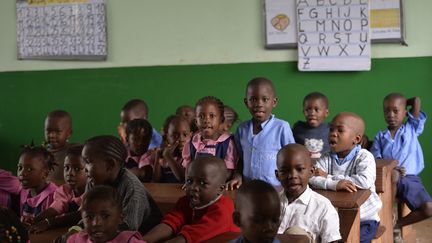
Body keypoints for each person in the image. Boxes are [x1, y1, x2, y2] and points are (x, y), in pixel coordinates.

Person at [309, 112, 382, 243]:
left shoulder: (364, 157)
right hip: (333, 218)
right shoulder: (326, 157)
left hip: (364, 219)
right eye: (331, 129)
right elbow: (311, 178)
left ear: (356, 139)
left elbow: (363, 181)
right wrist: (335, 184)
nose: (333, 133)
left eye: (340, 130)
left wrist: (328, 177)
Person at [370, 94, 432, 230]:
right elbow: (376, 159)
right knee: (394, 175)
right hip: (388, 180)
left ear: (405, 112)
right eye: (386, 111)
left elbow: (416, 100)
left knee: (428, 208)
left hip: (410, 179)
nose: (391, 114)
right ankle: (387, 216)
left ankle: (396, 225)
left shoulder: (411, 128)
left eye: (396, 111)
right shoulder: (380, 136)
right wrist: (393, 169)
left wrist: (405, 102)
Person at [143, 157, 240, 243]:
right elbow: (171, 222)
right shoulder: (186, 201)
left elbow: (190, 236)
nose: (193, 187)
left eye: (202, 183)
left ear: (220, 189)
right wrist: (142, 240)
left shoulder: (223, 210)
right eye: (189, 181)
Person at [82, 135, 162, 233]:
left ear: (109, 165)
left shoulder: (131, 186)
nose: (84, 168)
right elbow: (87, 215)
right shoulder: (92, 183)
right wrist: (75, 230)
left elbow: (128, 227)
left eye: (88, 162)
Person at [229, 77, 295, 188]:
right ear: (246, 102)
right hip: (248, 188)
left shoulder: (282, 127)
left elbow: (292, 158)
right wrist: (238, 176)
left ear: (274, 102)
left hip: (276, 189)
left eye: (265, 99)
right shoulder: (242, 129)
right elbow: (240, 158)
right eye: (253, 99)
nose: (259, 104)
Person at [276, 144, 341, 242]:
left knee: (296, 233)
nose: (292, 176)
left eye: (299, 169)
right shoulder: (271, 203)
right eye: (285, 171)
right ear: (277, 175)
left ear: (311, 172)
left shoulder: (323, 207)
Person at [30, 145, 86, 233]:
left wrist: (48, 223)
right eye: (67, 168)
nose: (70, 173)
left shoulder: (92, 194)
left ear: (89, 170)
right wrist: (36, 219)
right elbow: (56, 207)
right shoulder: (64, 190)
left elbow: (80, 215)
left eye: (77, 168)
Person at [182, 96, 238, 182]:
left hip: (217, 189)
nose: (206, 120)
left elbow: (229, 172)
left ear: (221, 120)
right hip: (196, 188)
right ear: (196, 122)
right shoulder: (191, 143)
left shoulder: (228, 144)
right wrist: (189, 182)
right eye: (201, 116)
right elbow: (188, 169)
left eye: (212, 116)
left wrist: (210, 183)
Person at [67, 185, 147, 243]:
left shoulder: (128, 241)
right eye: (89, 217)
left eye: (105, 216)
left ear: (120, 218)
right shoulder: (75, 240)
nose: (96, 223)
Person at [17, 145, 58, 227]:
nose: (22, 173)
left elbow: (53, 224)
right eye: (20, 167)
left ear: (45, 173)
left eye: (29, 169)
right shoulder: (24, 191)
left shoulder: (54, 195)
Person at [153, 115, 191, 183]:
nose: (181, 139)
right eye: (175, 135)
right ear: (167, 137)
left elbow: (183, 178)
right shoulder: (164, 156)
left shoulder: (190, 156)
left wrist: (168, 156)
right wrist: (157, 158)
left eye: (185, 135)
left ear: (191, 135)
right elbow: (156, 181)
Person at [292, 92, 330, 159]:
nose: (312, 113)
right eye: (308, 110)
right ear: (303, 112)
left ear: (326, 113)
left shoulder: (330, 129)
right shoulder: (298, 128)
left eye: (316, 110)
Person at [44, 110, 74, 182]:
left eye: (57, 132)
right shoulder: (41, 154)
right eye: (48, 131)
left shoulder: (73, 152)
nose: (52, 135)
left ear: (69, 133)